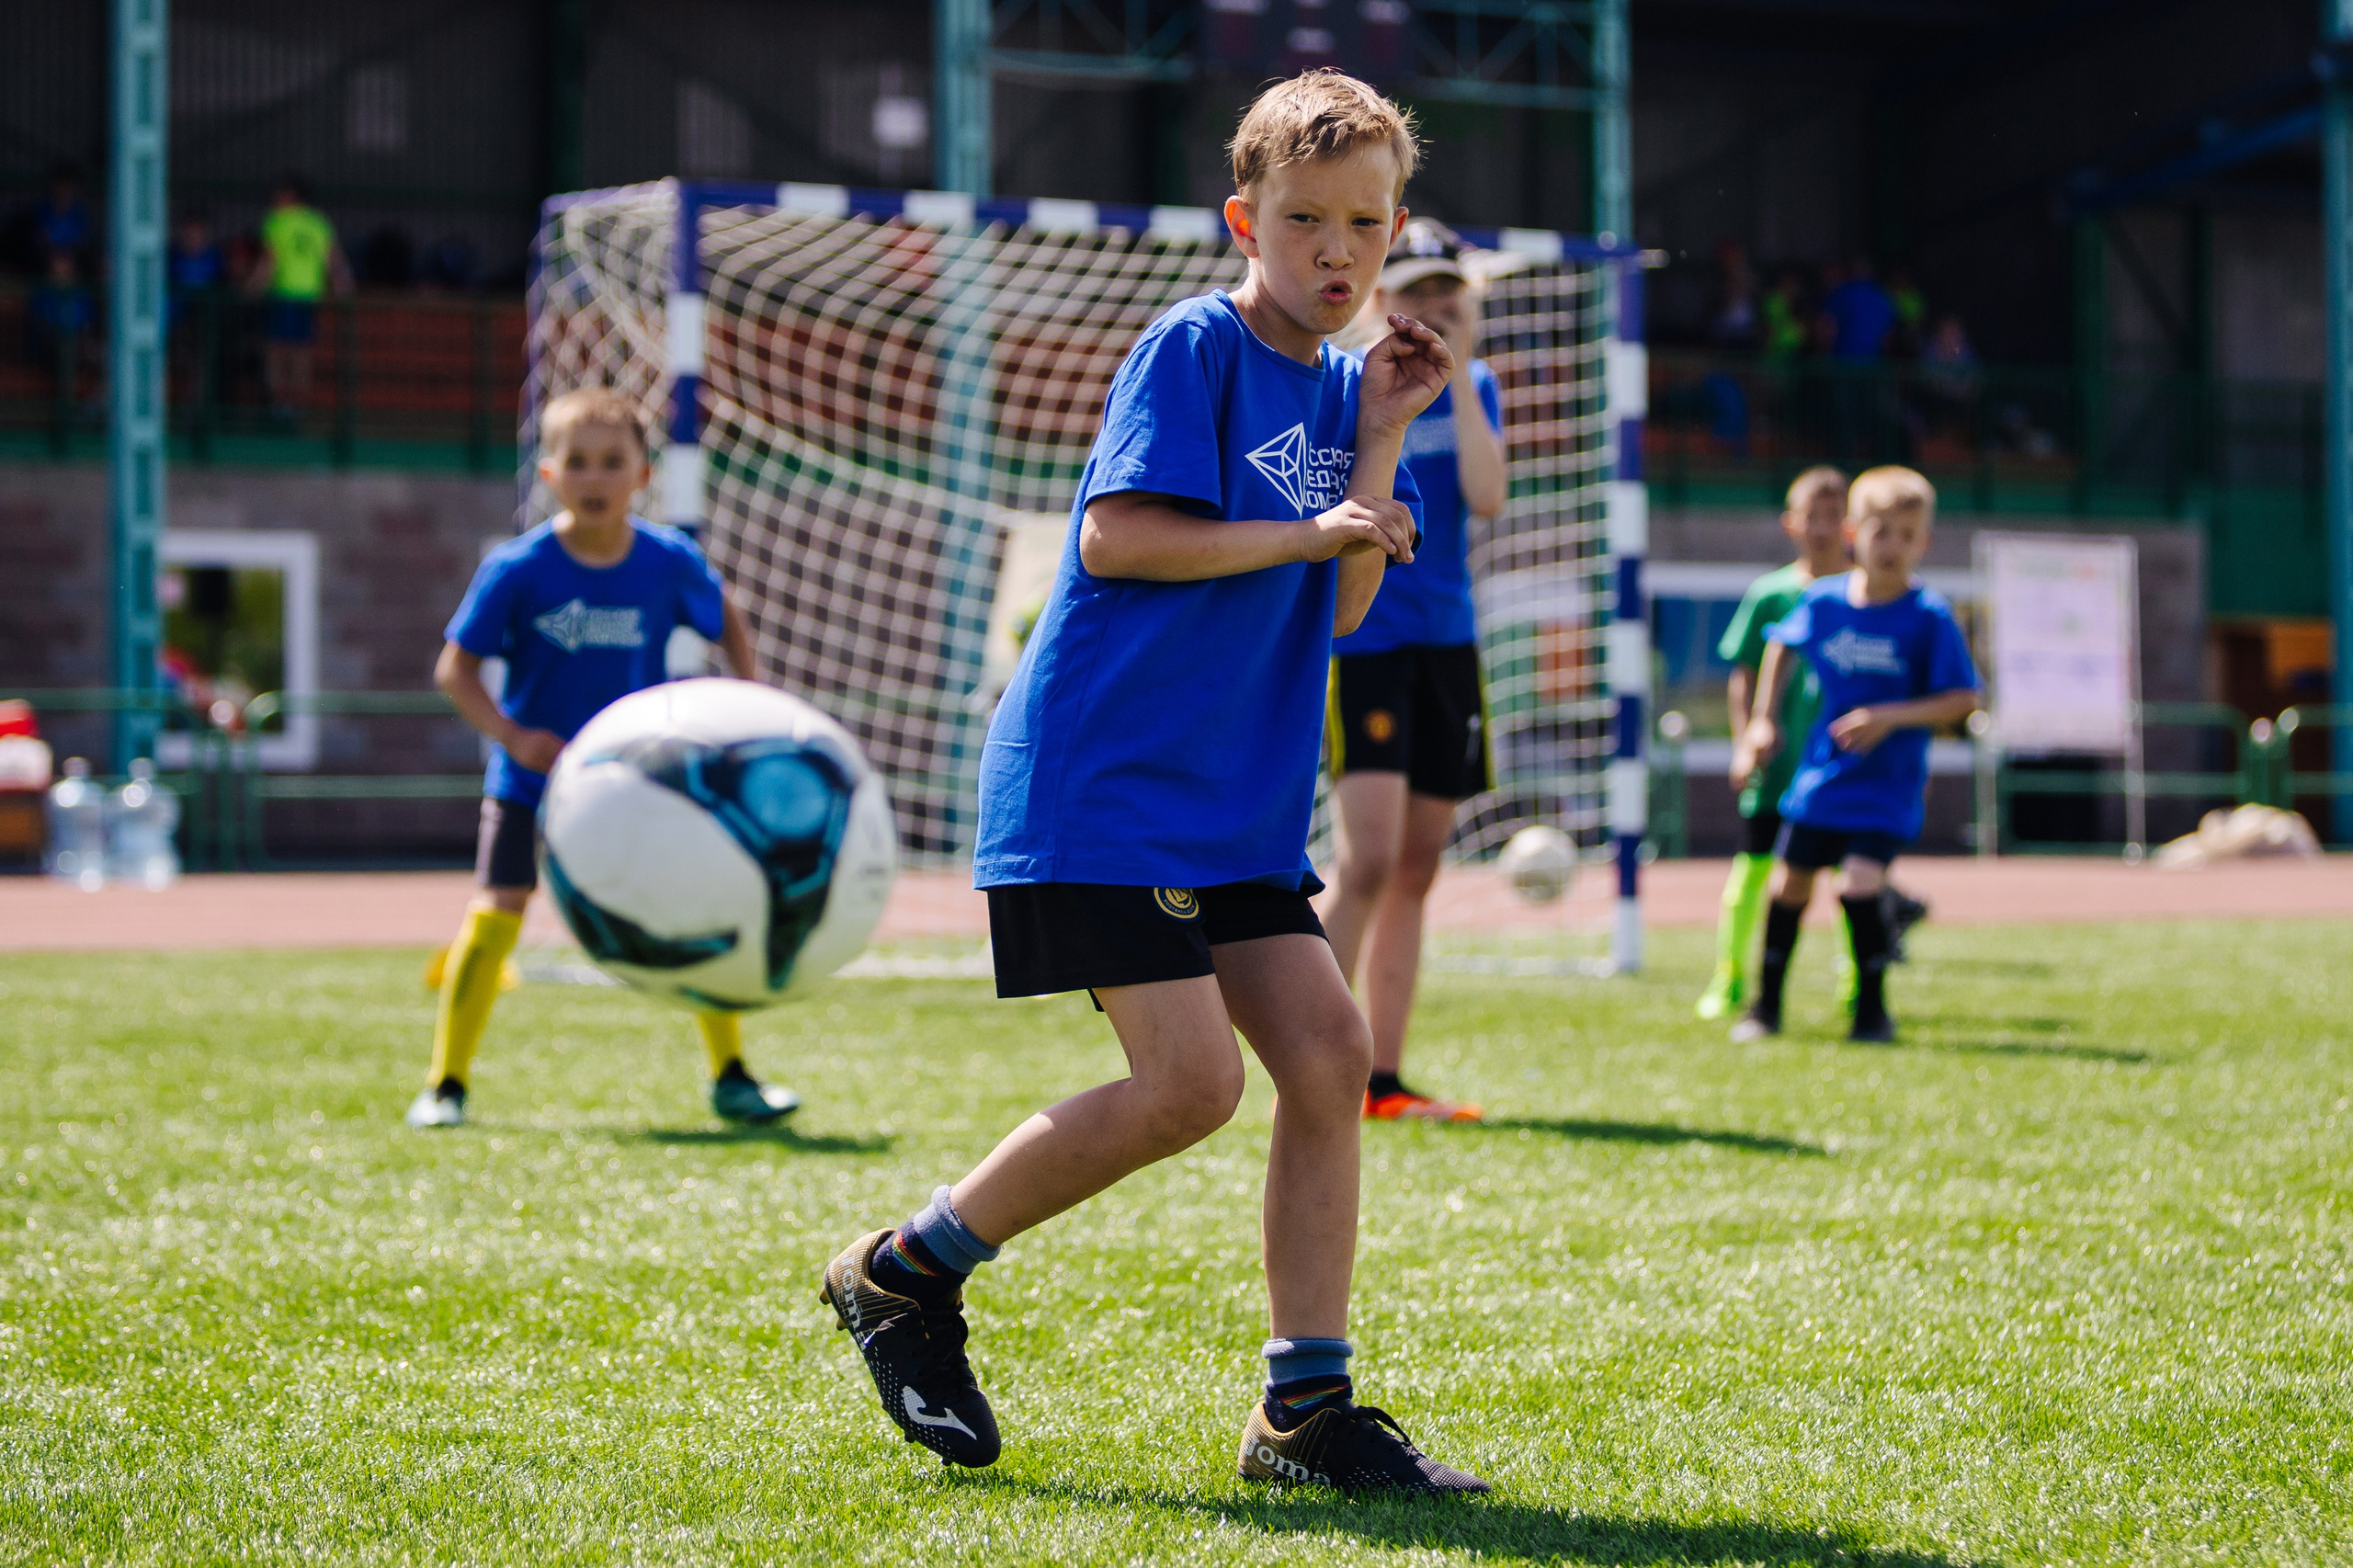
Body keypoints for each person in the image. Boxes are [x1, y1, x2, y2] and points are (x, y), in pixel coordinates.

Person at [817, 69, 1489, 1495]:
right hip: (1106, 779)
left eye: (1363, 225)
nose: (1336, 250)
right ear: (1246, 220)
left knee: (1327, 1056)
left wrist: (1381, 436)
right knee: (1191, 1084)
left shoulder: (1339, 385)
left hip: (1228, 798)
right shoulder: (1193, 343)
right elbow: (1121, 538)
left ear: (1394, 230)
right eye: (1304, 218)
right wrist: (1315, 526)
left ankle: (1304, 1413)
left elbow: (1349, 604)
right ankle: (902, 1272)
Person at [405, 387, 796, 1131]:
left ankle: (734, 1076)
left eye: (612, 462)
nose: (595, 478)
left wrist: (746, 698)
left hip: (636, 787)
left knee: (691, 911)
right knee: (494, 919)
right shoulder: (518, 570)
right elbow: (454, 669)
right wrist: (512, 737)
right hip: (529, 784)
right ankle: (446, 1083)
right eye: (576, 462)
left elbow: (727, 617)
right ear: (547, 475)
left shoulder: (666, 562)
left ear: (641, 475)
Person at [1318, 218, 1506, 1123]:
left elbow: (1487, 494)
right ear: (1384, 297)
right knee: (1367, 861)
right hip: (1364, 645)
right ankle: (1311, 1058)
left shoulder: (1478, 387)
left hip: (1447, 645)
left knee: (1419, 863)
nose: (1431, 307)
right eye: (1416, 291)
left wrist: (1462, 375)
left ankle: (1381, 1079)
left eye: (1447, 293)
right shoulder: (1350, 382)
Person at [1729, 466, 1979, 1043]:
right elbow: (1779, 647)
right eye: (1880, 530)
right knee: (1788, 885)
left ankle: (1871, 1012)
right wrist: (1763, 723)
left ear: (1925, 543)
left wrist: (1889, 717)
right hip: (1823, 778)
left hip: (1888, 786)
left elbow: (1964, 699)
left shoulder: (1930, 616)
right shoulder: (1822, 602)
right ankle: (1765, 1009)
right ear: (1853, 533)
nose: (1892, 545)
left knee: (1859, 884)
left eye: (1906, 534)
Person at [1695, 465, 1848, 1021]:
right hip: (1778, 765)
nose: (1824, 527)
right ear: (1792, 523)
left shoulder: (1862, 594)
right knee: (1752, 874)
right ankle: (1730, 981)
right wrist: (1746, 740)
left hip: (1839, 768)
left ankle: (1855, 988)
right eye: (1814, 515)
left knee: (1848, 880)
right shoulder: (1770, 594)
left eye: (1835, 516)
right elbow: (1743, 671)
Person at [246, 176, 349, 423]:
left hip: (285, 294)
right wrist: (343, 285)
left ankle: (281, 403)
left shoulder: (277, 221)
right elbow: (334, 260)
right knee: (299, 351)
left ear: (291, 196)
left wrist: (253, 288)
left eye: (280, 194)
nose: (276, 199)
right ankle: (293, 404)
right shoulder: (318, 222)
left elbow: (269, 261)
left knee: (278, 350)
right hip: (308, 296)